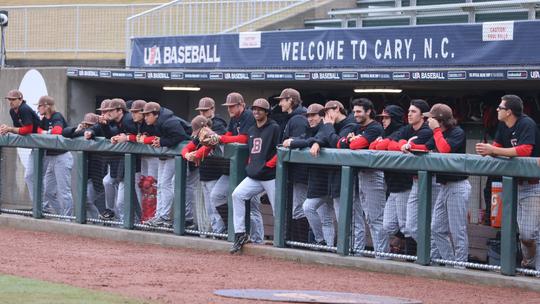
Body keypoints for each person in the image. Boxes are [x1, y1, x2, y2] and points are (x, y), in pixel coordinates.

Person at [476, 94, 540, 270]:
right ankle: (531, 267)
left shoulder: (526, 123)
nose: (497, 109)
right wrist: (487, 151)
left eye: (500, 107)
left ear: (509, 111)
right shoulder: (503, 125)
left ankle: (530, 265)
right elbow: (496, 147)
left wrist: (494, 150)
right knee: (524, 234)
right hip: (513, 186)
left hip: (534, 185)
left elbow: (525, 150)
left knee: (529, 233)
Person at [410, 103, 470, 264]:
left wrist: (436, 130)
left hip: (458, 186)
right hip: (444, 186)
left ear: (440, 120)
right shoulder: (438, 133)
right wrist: (409, 147)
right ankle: (450, 262)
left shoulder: (457, 132)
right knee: (436, 229)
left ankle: (461, 266)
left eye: (431, 118)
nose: (428, 120)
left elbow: (445, 150)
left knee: (457, 231)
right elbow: (425, 147)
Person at [201, 92, 263, 242]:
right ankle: (231, 228)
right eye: (228, 106)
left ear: (241, 105)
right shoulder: (234, 118)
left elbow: (244, 138)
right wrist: (215, 138)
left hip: (252, 167)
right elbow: (229, 133)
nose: (229, 109)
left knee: (252, 207)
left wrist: (220, 138)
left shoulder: (248, 116)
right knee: (216, 195)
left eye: (232, 106)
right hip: (234, 169)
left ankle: (257, 240)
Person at [304, 100, 363, 251]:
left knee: (350, 219)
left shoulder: (350, 124)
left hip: (351, 178)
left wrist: (328, 127)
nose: (326, 117)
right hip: (334, 179)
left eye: (328, 112)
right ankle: (334, 247)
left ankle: (354, 251)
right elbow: (323, 137)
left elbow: (338, 144)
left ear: (337, 109)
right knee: (337, 216)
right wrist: (317, 142)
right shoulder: (332, 125)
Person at [388, 99, 441, 258]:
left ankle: (435, 256)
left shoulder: (426, 130)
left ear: (423, 116)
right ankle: (433, 253)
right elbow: (391, 142)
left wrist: (405, 145)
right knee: (411, 227)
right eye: (409, 111)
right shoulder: (407, 129)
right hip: (416, 182)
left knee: (433, 225)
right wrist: (403, 143)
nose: (409, 114)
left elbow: (415, 148)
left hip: (432, 182)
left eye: (413, 112)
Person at [230, 98, 280, 254]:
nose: (256, 112)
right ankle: (240, 234)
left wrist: (268, 165)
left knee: (277, 209)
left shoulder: (274, 128)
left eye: (260, 109)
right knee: (237, 194)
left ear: (266, 112)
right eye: (254, 109)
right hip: (255, 176)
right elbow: (252, 153)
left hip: (271, 176)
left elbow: (280, 150)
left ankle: (281, 240)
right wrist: (252, 166)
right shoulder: (251, 129)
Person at [339, 98, 387, 256]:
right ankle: (365, 252)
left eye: (359, 111)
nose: (355, 114)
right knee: (363, 217)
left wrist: (352, 140)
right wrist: (350, 140)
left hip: (374, 175)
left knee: (375, 219)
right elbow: (341, 143)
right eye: (354, 111)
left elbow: (353, 145)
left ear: (368, 111)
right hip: (361, 175)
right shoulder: (358, 127)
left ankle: (382, 255)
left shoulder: (375, 127)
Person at [283, 103, 336, 246]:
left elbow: (310, 141)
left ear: (322, 116)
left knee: (311, 209)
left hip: (329, 179)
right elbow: (305, 138)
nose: (310, 119)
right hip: (318, 179)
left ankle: (323, 242)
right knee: (324, 217)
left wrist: (294, 143)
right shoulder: (309, 129)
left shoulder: (325, 127)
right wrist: (294, 141)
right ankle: (326, 245)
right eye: (308, 116)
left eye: (313, 115)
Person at [371, 105, 413, 254]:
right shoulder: (385, 132)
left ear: (394, 118)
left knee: (406, 226)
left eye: (387, 118)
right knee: (388, 226)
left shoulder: (402, 130)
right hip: (392, 185)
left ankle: (412, 256)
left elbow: (383, 145)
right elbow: (374, 146)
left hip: (404, 185)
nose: (383, 121)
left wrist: (382, 144)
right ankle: (401, 244)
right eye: (382, 118)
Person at [140, 102, 191, 227]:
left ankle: (164, 216)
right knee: (161, 184)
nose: (145, 117)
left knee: (166, 184)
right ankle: (159, 215)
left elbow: (182, 136)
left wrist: (162, 141)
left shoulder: (169, 121)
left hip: (177, 156)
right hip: (166, 155)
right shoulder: (157, 123)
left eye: (148, 115)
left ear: (156, 114)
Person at [275, 88, 310, 241]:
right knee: (297, 208)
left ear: (290, 100)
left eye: (282, 100)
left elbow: (302, 144)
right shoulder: (294, 117)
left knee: (299, 209)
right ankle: (298, 242)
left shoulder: (299, 118)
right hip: (297, 173)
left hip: (301, 173)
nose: (280, 103)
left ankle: (302, 243)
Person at [0, 89, 40, 205]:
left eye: (13, 99)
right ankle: (39, 207)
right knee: (30, 177)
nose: (11, 102)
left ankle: (53, 213)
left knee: (43, 181)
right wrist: (6, 130)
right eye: (9, 99)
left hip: (46, 147)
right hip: (36, 147)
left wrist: (10, 129)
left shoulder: (24, 109)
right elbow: (19, 129)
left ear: (20, 100)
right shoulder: (13, 111)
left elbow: (28, 129)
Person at [35, 95, 73, 216]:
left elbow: (58, 131)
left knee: (64, 191)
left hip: (62, 156)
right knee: (48, 192)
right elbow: (36, 130)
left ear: (47, 106)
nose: (38, 108)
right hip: (51, 158)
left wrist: (45, 132)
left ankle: (67, 219)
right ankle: (61, 215)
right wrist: (45, 132)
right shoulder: (44, 119)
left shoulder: (57, 116)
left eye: (40, 106)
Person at [62, 113, 105, 219]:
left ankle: (105, 220)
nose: (87, 127)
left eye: (90, 125)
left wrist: (83, 132)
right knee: (86, 200)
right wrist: (77, 129)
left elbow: (92, 133)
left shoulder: (99, 131)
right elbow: (65, 133)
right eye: (86, 124)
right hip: (89, 175)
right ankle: (98, 220)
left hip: (101, 174)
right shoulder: (83, 133)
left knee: (106, 202)